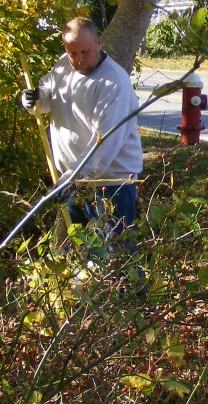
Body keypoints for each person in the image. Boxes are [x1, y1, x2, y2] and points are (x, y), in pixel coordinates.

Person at [19, 17, 144, 255]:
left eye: (85, 52)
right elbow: (50, 96)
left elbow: (104, 143)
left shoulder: (113, 83)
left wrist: (72, 178)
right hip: (73, 182)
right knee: (81, 256)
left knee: (116, 258)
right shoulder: (63, 66)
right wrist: (34, 98)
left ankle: (132, 292)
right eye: (72, 53)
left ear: (98, 43)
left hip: (110, 185)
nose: (79, 60)